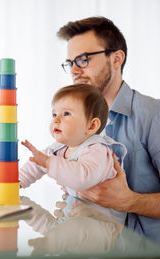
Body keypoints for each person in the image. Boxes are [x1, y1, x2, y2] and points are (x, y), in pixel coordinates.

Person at [55, 16, 160, 259]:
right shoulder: (75, 122)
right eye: (70, 62)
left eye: (83, 59)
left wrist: (127, 201)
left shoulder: (158, 116)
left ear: (116, 58)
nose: (74, 69)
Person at [19, 83, 128, 224]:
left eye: (66, 114)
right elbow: (37, 164)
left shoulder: (97, 149)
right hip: (77, 216)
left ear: (91, 126)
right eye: (54, 114)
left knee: (62, 236)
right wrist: (17, 182)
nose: (56, 120)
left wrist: (48, 162)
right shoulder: (58, 148)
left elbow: (83, 178)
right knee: (56, 233)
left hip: (103, 224)